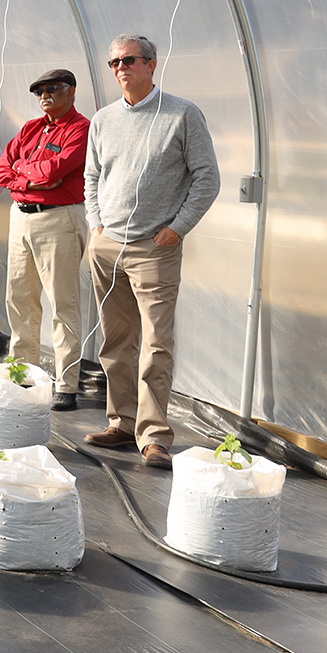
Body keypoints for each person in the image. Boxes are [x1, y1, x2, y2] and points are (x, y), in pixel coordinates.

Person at [83, 35, 219, 467]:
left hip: (153, 249)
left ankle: (154, 436)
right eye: (114, 62)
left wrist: (176, 230)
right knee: (116, 340)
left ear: (151, 65)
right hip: (107, 246)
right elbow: (92, 178)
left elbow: (206, 179)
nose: (120, 67)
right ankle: (122, 423)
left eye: (129, 60)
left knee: (157, 343)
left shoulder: (182, 114)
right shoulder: (103, 120)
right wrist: (96, 225)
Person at [0, 68, 90, 411]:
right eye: (39, 91)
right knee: (19, 298)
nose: (45, 95)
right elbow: (3, 170)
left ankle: (67, 384)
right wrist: (29, 180)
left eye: (53, 89)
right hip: (22, 217)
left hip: (59, 219)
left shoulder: (80, 128)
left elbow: (57, 171)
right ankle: (22, 372)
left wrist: (26, 175)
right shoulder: (32, 128)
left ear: (71, 91)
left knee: (63, 304)